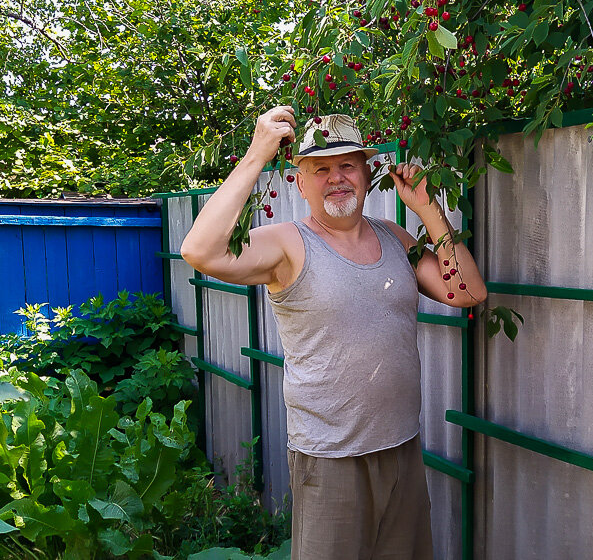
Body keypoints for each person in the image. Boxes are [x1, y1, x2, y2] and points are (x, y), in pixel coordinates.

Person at [180, 105, 487, 560]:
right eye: (320, 169)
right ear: (299, 182)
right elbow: (199, 251)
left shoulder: (395, 237)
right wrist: (257, 154)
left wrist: (429, 209)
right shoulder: (286, 243)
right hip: (330, 459)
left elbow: (467, 292)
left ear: (366, 174)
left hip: (402, 447)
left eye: (347, 165)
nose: (337, 178)